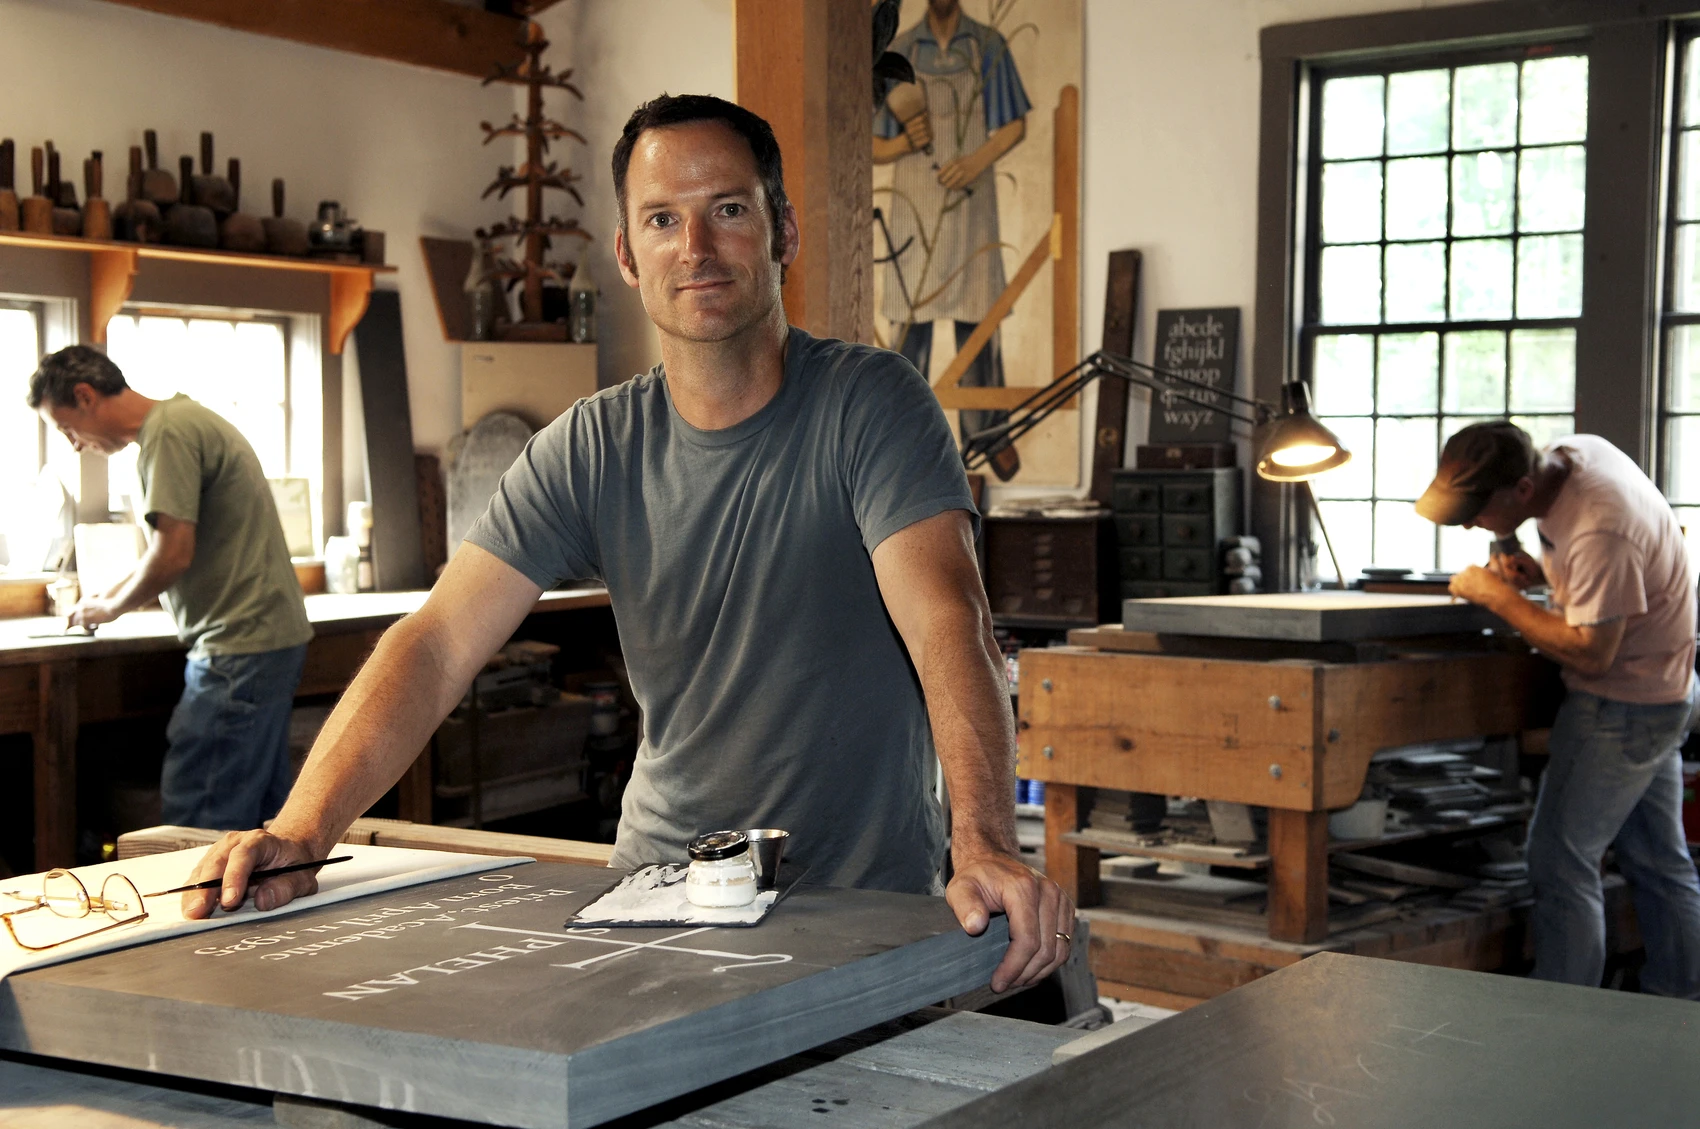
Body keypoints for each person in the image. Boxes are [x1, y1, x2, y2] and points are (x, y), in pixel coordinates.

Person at [184, 94, 1074, 995]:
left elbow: (947, 621)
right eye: (662, 219)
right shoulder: (590, 447)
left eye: (728, 210)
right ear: (625, 254)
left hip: (861, 901)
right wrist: (302, 826)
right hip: (658, 898)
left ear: (783, 233)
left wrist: (986, 843)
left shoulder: (871, 406)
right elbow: (440, 640)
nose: (695, 248)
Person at [1416, 420, 1700, 997]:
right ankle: (1682, 1004)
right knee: (1657, 861)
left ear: (1522, 489)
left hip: (1622, 706)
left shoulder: (1602, 527)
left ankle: (1559, 1018)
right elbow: (1604, 571)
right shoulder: (1579, 455)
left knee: (1560, 862)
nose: (1469, 523)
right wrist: (1525, 559)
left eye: (1476, 511)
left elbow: (1592, 652)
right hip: (1665, 691)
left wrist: (1498, 596)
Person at [28, 346, 313, 831]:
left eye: (67, 428)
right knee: (264, 826)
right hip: (266, 638)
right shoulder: (185, 419)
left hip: (237, 649)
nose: (75, 445)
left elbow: (172, 553)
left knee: (198, 822)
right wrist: (110, 597)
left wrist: (108, 608)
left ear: (85, 395)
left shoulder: (167, 434)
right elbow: (177, 549)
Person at [873, 0, 1030, 477]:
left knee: (978, 316)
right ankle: (900, 442)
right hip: (914, 204)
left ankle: (988, 436)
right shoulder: (897, 52)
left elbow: (1015, 125)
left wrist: (976, 161)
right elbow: (872, 142)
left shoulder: (987, 44)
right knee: (909, 323)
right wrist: (904, 143)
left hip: (969, 202)